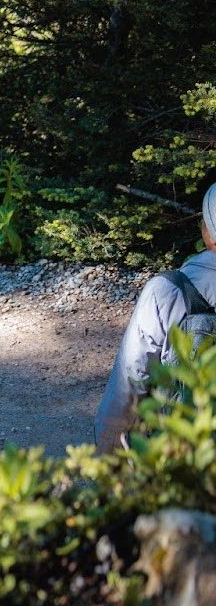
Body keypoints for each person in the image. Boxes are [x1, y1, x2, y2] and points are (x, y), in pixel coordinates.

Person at [95, 182, 216, 450]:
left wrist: (108, 461)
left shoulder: (170, 291)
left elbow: (129, 387)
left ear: (208, 234)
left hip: (186, 460)